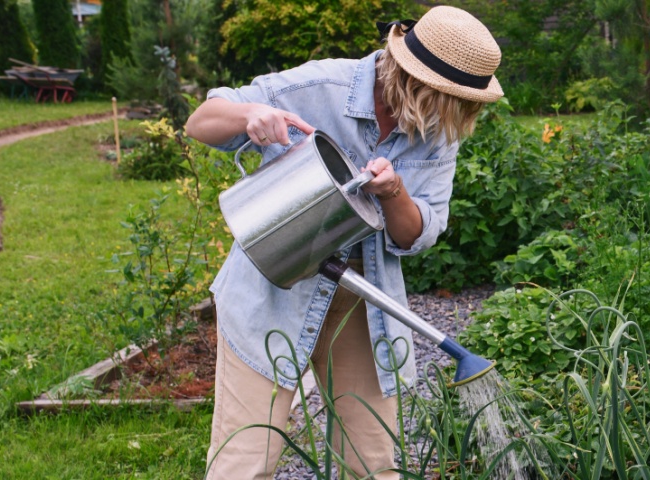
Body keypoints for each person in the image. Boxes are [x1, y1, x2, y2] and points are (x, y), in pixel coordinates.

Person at [184, 6, 502, 479]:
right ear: (414, 79)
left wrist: (394, 191)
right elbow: (201, 122)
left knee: (371, 465)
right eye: (446, 99)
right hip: (271, 286)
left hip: (363, 297)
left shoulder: (439, 132)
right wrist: (251, 114)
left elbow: (417, 234)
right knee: (246, 463)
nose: (448, 117)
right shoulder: (319, 87)